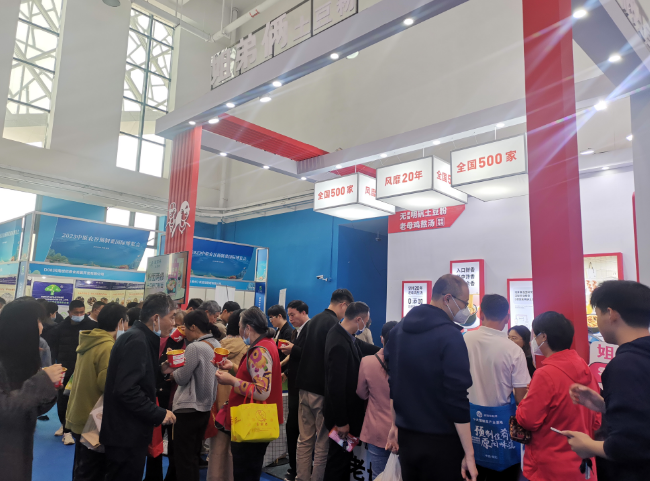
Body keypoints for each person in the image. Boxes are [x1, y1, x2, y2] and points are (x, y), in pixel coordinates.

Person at [385, 274, 477, 481]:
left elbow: (394, 383)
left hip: (407, 438)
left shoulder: (398, 330)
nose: (466, 309)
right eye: (464, 303)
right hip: (442, 442)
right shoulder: (450, 335)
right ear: (447, 298)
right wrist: (469, 453)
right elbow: (457, 397)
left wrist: (394, 425)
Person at [564, 280, 650, 480]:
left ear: (611, 314)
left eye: (597, 315)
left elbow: (629, 445)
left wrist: (587, 446)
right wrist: (605, 406)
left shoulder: (624, 365)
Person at [515, 311, 601, 481]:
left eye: (534, 335)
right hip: (583, 465)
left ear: (543, 337)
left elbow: (527, 420)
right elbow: (596, 421)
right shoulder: (585, 368)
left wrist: (525, 399)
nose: (533, 340)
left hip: (549, 468)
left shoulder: (545, 374)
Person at [100, 293, 177, 481]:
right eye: (172, 317)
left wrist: (159, 370)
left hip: (127, 430)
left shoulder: (140, 337)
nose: (174, 323)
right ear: (156, 318)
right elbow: (126, 390)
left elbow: (136, 378)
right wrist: (158, 413)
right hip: (125, 433)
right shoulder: (138, 340)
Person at [464, 295, 530, 480]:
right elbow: (520, 398)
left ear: (481, 313)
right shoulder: (513, 350)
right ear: (507, 318)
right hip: (503, 426)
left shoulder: (464, 340)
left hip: (468, 423)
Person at [215, 307, 284, 481]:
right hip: (257, 419)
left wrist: (231, 381)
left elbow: (261, 391)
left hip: (251, 421)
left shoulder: (259, 350)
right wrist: (233, 367)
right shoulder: (267, 343)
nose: (239, 330)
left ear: (248, 327)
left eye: (240, 326)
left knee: (245, 471)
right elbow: (255, 376)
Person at [0, 299, 63, 481]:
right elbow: (5, 410)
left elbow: (28, 407)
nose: (42, 327)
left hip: (18, 449)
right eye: (38, 321)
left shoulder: (22, 357)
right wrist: (42, 381)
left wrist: (51, 387)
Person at [294, 289, 354, 481]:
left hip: (303, 388)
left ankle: (301, 478)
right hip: (320, 392)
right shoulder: (334, 326)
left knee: (304, 440)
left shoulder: (313, 321)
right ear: (343, 305)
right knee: (321, 442)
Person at [66, 303, 127, 481]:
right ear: (120, 322)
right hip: (93, 420)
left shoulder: (90, 340)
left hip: (79, 412)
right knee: (92, 471)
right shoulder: (107, 347)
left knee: (81, 468)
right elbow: (106, 384)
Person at [323, 302, 380, 481]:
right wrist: (342, 422)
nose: (366, 326)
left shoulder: (341, 333)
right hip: (342, 418)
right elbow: (336, 386)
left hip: (344, 415)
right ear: (358, 319)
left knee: (343, 461)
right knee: (337, 463)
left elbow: (360, 346)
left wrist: (384, 351)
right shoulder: (339, 344)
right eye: (366, 322)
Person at [161, 310, 220, 481]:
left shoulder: (194, 347)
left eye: (184, 327)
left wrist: (172, 370)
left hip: (187, 408)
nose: (183, 331)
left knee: (183, 459)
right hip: (205, 408)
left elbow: (181, 377)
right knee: (193, 456)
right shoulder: (215, 343)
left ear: (193, 327)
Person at [208, 309, 248, 481]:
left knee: (217, 448)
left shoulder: (219, 345)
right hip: (238, 399)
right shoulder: (247, 348)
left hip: (218, 399)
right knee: (235, 448)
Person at [49, 299, 96, 444]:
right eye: (76, 313)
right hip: (65, 369)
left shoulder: (92, 327)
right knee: (63, 399)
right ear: (69, 313)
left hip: (83, 369)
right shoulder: (59, 328)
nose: (79, 315)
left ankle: (75, 428)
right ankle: (65, 428)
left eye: (82, 312)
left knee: (80, 400)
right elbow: (54, 348)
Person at [356, 321, 398, 480]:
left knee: (378, 475)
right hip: (403, 431)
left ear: (381, 339)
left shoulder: (367, 362)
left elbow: (361, 393)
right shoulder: (410, 363)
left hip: (376, 431)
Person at [279, 300, 311, 481]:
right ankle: (295, 467)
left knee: (298, 429)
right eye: (289, 315)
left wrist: (294, 349)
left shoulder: (311, 329)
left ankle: (300, 469)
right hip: (294, 386)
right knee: (293, 427)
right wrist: (286, 372)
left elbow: (312, 355)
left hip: (304, 389)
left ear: (303, 312)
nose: (290, 319)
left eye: (293, 315)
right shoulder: (297, 331)